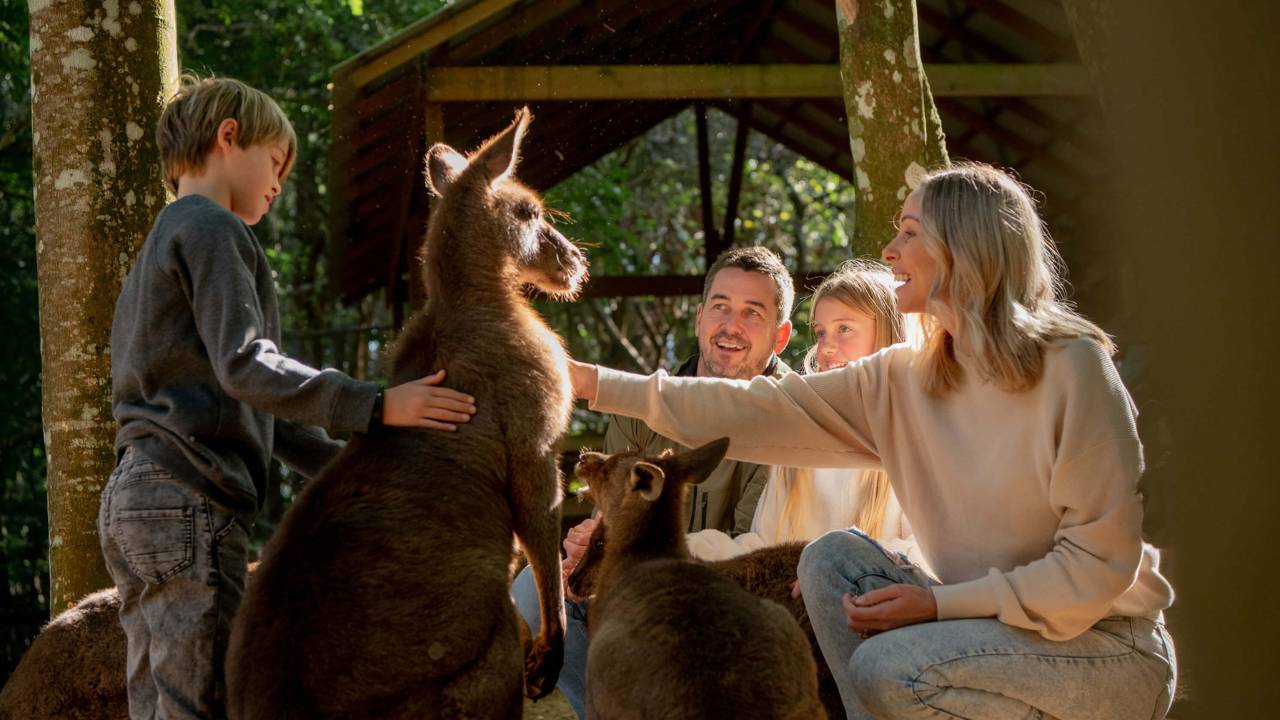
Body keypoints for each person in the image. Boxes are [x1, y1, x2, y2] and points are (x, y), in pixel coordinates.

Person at [570, 162, 1177, 720]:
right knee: (831, 557)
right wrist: (588, 381)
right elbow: (756, 408)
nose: (890, 250)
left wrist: (940, 606)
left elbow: (1098, 567)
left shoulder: (1073, 369)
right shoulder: (904, 375)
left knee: (889, 668)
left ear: (964, 247)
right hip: (982, 630)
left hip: (1103, 646)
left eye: (909, 232)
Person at [98, 75, 477, 720]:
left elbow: (250, 401)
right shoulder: (214, 228)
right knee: (210, 702)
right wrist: (378, 404)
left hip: (135, 502)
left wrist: (357, 466)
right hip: (190, 499)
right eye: (275, 163)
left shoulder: (160, 244)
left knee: (160, 706)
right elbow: (251, 367)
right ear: (228, 137)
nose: (278, 185)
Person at [512, 245, 796, 718]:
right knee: (533, 588)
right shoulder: (643, 405)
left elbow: (755, 548)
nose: (731, 326)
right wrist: (590, 544)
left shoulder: (789, 416)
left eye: (753, 313)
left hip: (740, 597)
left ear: (780, 336)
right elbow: (617, 515)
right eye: (721, 307)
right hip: (651, 583)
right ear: (701, 317)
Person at [683, 260, 926, 571]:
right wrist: (681, 549)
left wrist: (827, 566)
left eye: (844, 329)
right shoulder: (800, 431)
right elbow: (764, 544)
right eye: (821, 333)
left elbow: (927, 556)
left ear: (891, 336)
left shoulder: (920, 436)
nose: (826, 348)